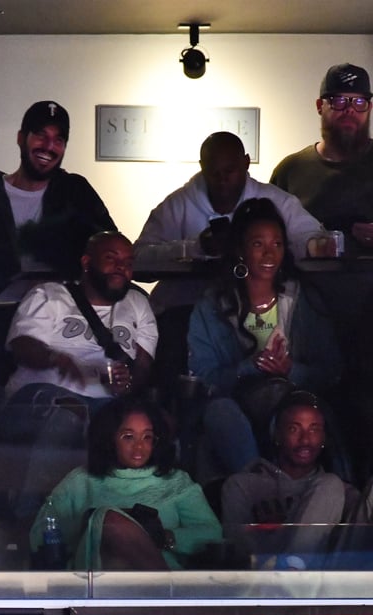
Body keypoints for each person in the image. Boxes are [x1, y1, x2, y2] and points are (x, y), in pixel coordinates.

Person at [0, 100, 119, 396]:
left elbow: (110, 249)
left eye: (58, 139)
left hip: (60, 329)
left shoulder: (75, 193)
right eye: (40, 135)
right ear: (21, 138)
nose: (49, 146)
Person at [2, 232, 158, 518]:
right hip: (41, 396)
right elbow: (21, 345)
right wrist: (54, 358)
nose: (121, 268)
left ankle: (115, 519)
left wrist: (129, 382)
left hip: (106, 404)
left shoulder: (137, 304)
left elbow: (144, 368)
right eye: (112, 260)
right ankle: (32, 516)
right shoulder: (49, 295)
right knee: (70, 413)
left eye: (127, 262)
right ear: (87, 263)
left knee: (136, 424)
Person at [187, 198, 344, 480]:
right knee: (220, 413)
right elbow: (203, 377)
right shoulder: (213, 305)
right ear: (240, 250)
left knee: (305, 415)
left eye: (277, 244)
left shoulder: (302, 300)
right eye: (258, 244)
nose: (269, 253)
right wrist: (248, 368)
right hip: (236, 408)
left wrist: (291, 371)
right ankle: (259, 486)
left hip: (292, 404)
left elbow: (331, 369)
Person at [135, 131, 323, 314]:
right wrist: (196, 248)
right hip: (182, 313)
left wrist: (312, 246)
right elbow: (137, 260)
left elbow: (313, 240)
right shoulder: (177, 206)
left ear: (246, 163)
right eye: (213, 172)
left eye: (229, 170)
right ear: (202, 166)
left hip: (259, 314)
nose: (222, 179)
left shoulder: (279, 202)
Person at [27, 396, 221, 570]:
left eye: (147, 437)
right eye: (128, 437)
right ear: (110, 439)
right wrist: (92, 526)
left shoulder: (175, 481)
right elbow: (39, 535)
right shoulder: (80, 481)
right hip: (97, 584)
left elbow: (213, 533)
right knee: (108, 520)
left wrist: (165, 537)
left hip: (162, 575)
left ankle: (165, 594)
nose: (139, 446)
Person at [221, 391, 357, 566]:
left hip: (316, 587)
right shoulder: (243, 485)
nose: (305, 440)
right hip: (259, 584)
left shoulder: (341, 492)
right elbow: (238, 547)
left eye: (314, 429)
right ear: (277, 435)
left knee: (331, 484)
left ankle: (291, 570)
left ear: (323, 438)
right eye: (294, 428)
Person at [270, 63, 373, 252]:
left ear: (369, 108)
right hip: (306, 281)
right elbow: (270, 237)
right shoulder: (290, 171)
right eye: (339, 101)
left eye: (359, 102)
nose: (350, 110)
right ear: (320, 106)